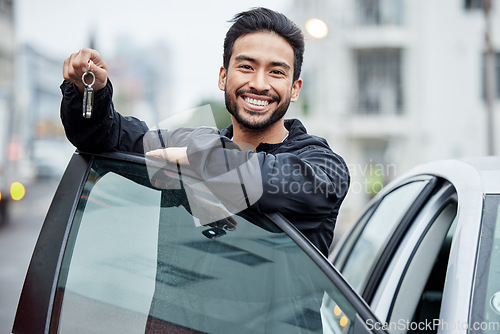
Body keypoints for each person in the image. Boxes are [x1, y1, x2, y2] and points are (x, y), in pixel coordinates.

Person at [60, 7, 349, 256]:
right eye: (246, 66)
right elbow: (102, 137)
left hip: (281, 324)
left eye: (276, 72)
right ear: (223, 77)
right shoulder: (189, 145)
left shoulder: (323, 166)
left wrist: (204, 161)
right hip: (175, 322)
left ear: (294, 88)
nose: (260, 84)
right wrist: (89, 93)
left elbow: (288, 181)